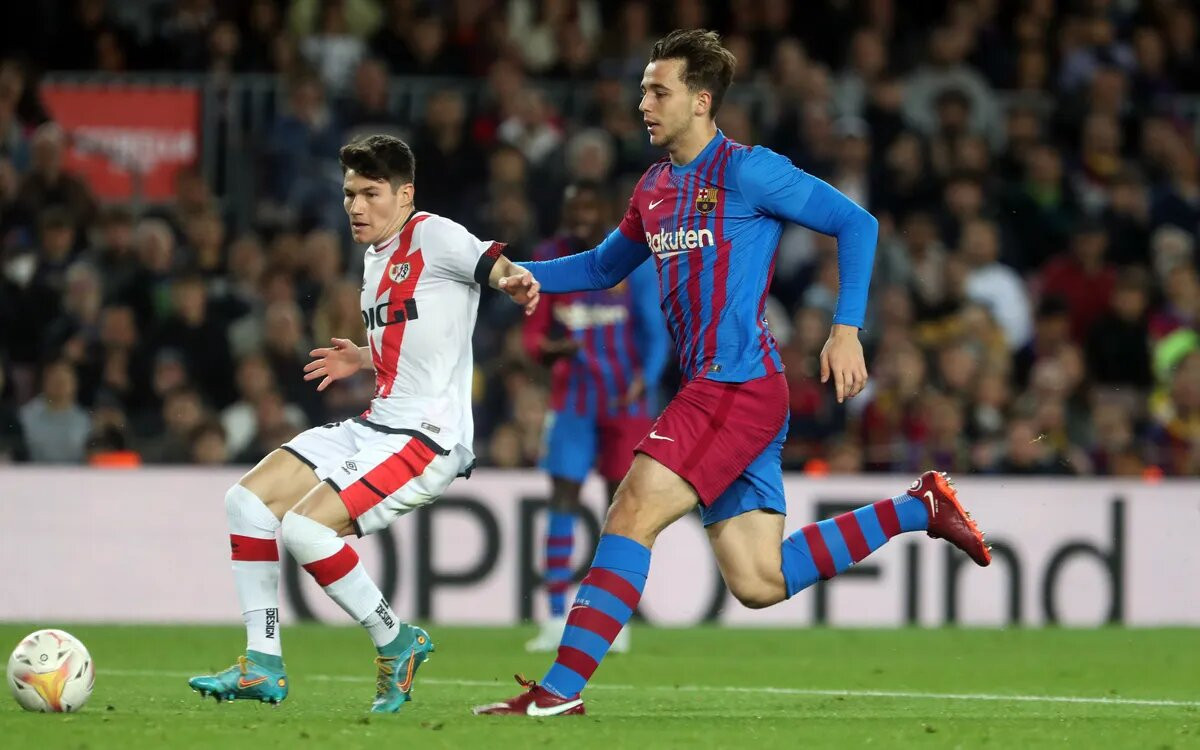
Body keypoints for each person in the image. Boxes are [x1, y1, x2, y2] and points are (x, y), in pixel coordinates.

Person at [475, 29, 991, 718]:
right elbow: (602, 266)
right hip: (720, 390)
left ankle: (561, 690)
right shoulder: (654, 187)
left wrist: (845, 328)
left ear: (701, 99)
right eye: (642, 91)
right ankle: (919, 507)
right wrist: (512, 273)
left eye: (658, 92)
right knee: (758, 580)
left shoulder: (750, 171)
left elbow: (856, 223)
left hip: (736, 382)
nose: (643, 105)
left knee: (631, 507)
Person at [188, 134, 537, 713]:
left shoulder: (431, 233)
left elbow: (490, 264)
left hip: (428, 435)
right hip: (378, 424)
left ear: (405, 195)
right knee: (245, 502)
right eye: (349, 193)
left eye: (370, 193)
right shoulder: (376, 258)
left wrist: (514, 280)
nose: (355, 206)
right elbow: (421, 339)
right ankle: (263, 663)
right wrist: (364, 357)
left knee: (304, 530)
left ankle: (396, 641)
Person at [522, 181, 670, 654]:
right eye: (574, 210)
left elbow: (656, 330)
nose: (583, 219)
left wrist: (645, 377)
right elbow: (533, 337)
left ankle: (611, 618)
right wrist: (548, 351)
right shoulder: (551, 259)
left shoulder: (633, 259)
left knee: (621, 507)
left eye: (591, 209)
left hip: (624, 402)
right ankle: (551, 617)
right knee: (562, 498)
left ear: (606, 212)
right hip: (573, 402)